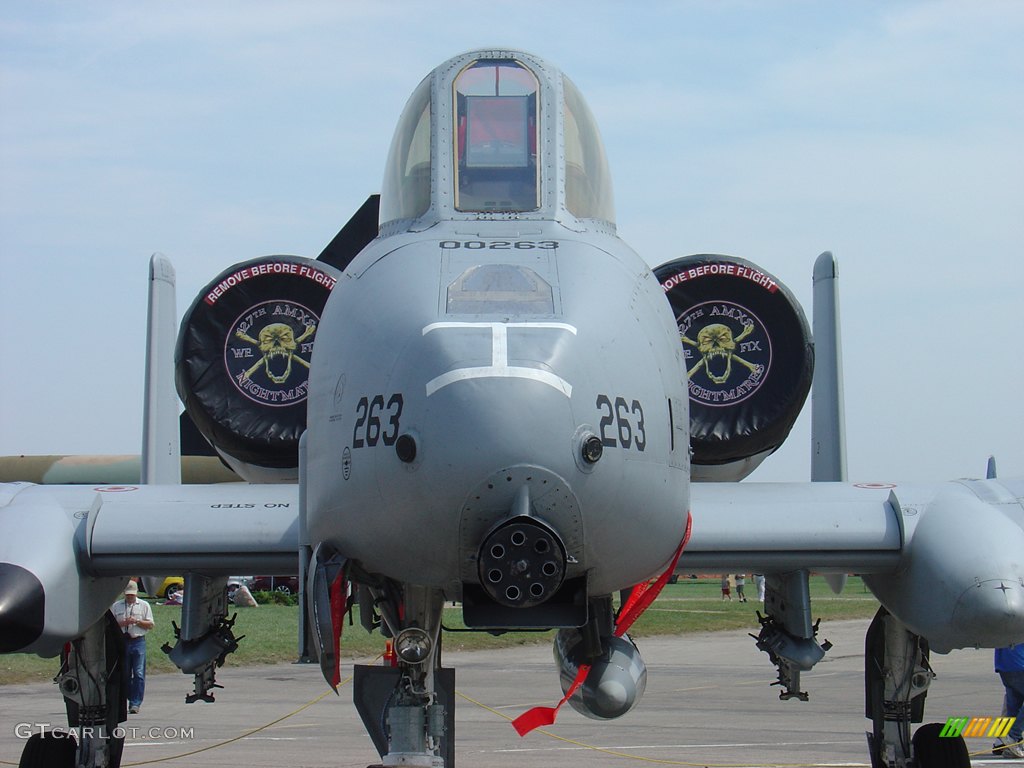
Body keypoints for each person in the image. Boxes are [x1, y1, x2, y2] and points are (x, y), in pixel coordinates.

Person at [110, 581, 155, 714]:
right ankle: (128, 697)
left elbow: (150, 624)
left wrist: (137, 621)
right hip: (123, 640)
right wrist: (125, 622)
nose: (130, 597)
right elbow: (111, 624)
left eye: (132, 595)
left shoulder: (143, 605)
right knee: (125, 672)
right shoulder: (117, 606)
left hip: (138, 641)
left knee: (139, 673)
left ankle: (136, 702)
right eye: (128, 595)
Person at [993, 643, 1024, 758]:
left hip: (1004, 666)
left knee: (1014, 706)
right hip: (1019, 663)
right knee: (1013, 705)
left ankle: (1003, 742)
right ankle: (1013, 736)